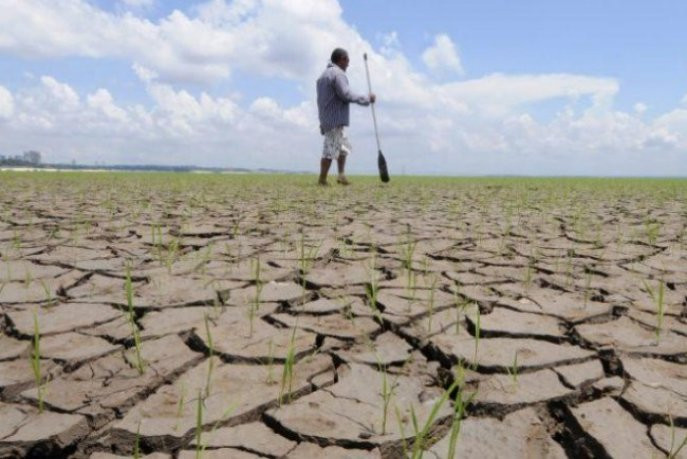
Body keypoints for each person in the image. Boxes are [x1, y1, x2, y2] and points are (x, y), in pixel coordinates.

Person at [316, 48, 376, 185]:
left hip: (327, 118)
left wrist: (321, 120)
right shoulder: (338, 74)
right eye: (347, 60)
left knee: (343, 148)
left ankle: (341, 175)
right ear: (342, 59)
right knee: (330, 151)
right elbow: (346, 94)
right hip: (334, 119)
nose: (348, 64)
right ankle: (322, 179)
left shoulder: (322, 77)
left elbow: (320, 101)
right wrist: (366, 99)